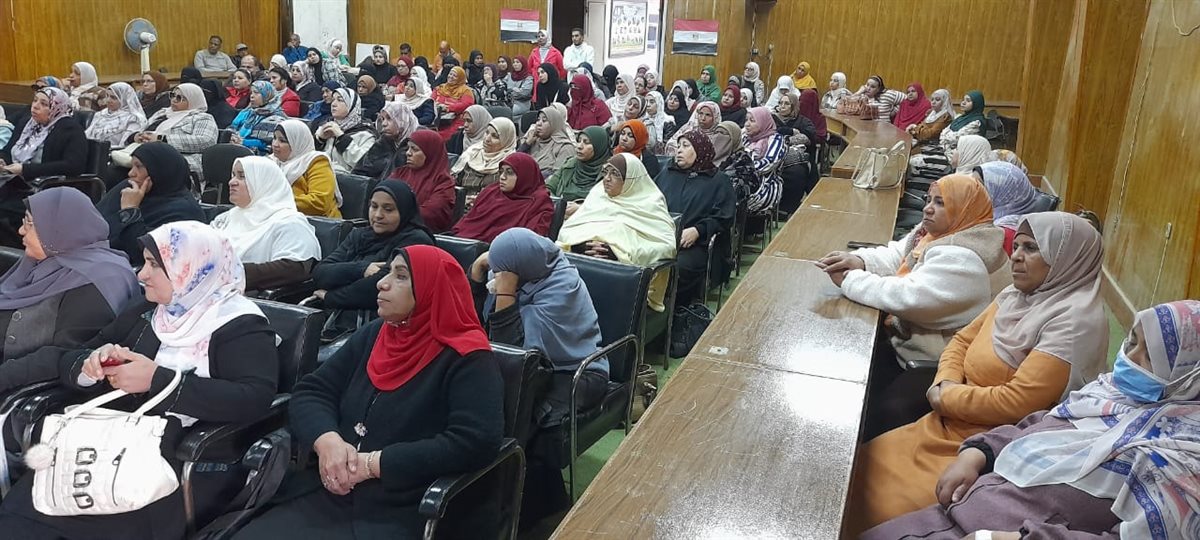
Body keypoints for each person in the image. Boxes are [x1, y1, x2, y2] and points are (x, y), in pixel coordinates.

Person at [0, 220, 278, 540]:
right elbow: (78, 353)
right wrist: (92, 366)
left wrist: (159, 381)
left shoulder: (240, 325)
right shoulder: (148, 309)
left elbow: (254, 399)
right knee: (24, 515)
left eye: (153, 265)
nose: (140, 274)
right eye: (144, 262)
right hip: (105, 445)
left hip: (181, 459)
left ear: (190, 270)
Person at [846, 212, 1107, 535]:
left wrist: (947, 397)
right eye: (1017, 246)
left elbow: (1018, 402)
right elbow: (961, 341)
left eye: (1031, 248)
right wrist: (944, 382)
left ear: (1067, 259)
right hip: (941, 423)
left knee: (872, 508)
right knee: (852, 470)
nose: (1017, 256)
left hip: (985, 448)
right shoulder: (1014, 295)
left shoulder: (1074, 322)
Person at [869, 299, 1200, 540]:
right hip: (966, 504)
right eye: (1132, 341)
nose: (1130, 357)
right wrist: (978, 452)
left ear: (1189, 374)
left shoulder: (1183, 460)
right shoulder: (1109, 395)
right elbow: (1039, 422)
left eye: (1150, 355)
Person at [233, 244, 502, 540]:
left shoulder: (468, 357)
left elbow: (474, 441)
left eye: (401, 276)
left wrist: (373, 464)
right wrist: (327, 441)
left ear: (431, 290)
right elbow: (313, 389)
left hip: (405, 503)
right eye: (387, 272)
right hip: (328, 486)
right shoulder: (377, 333)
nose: (382, 283)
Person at [817, 175, 1011, 430]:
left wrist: (850, 279)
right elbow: (900, 255)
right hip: (906, 345)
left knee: (858, 409)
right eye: (928, 200)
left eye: (940, 203)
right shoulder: (942, 232)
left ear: (964, 208)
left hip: (941, 364)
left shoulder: (965, 258)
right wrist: (861, 261)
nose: (928, 208)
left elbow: (907, 297)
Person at [471, 227, 606, 520]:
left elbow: (513, 353)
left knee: (518, 412)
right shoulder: (527, 273)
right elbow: (478, 323)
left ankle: (523, 507)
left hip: (578, 372)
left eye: (502, 271)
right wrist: (478, 274)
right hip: (542, 369)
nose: (497, 275)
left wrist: (505, 292)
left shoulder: (561, 287)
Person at [0, 188, 139, 393]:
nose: (21, 230)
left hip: (24, 386)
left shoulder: (100, 279)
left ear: (58, 228)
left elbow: (67, 355)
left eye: (29, 223)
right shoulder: (45, 262)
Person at [557, 153, 676, 311]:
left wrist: (617, 254)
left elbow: (666, 247)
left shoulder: (650, 203)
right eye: (605, 172)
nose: (606, 178)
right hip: (581, 267)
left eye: (615, 174)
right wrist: (579, 246)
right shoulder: (598, 194)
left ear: (631, 180)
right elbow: (567, 231)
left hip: (624, 279)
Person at [310, 181, 434, 312]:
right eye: (374, 207)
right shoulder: (360, 235)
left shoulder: (417, 241)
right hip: (339, 314)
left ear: (404, 211)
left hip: (383, 317)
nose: (378, 215)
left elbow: (379, 287)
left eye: (388, 209)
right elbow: (320, 273)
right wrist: (361, 269)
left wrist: (331, 296)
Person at [212, 156, 322, 291]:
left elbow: (293, 269)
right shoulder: (227, 217)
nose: (231, 182)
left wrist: (231, 273)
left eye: (242, 177)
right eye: (233, 175)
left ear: (265, 182)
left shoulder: (289, 222)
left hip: (248, 296)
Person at [656, 130, 735, 306]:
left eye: (685, 146)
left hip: (696, 245)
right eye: (678, 146)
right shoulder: (667, 173)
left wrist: (698, 230)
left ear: (700, 150)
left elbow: (724, 217)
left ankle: (674, 312)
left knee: (673, 268)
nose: (679, 150)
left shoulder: (718, 180)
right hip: (661, 238)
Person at [96, 141, 205, 266]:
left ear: (159, 170)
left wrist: (130, 211)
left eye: (139, 167)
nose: (131, 173)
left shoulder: (185, 212)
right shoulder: (130, 188)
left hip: (128, 269)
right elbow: (94, 221)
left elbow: (142, 254)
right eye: (132, 166)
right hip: (98, 256)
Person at [450, 153, 553, 243]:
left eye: (509, 172)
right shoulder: (491, 192)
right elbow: (467, 224)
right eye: (501, 172)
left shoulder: (538, 201)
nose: (502, 177)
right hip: (468, 244)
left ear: (525, 175)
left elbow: (530, 240)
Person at [130, 83, 219, 178]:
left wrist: (163, 139)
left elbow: (206, 141)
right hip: (149, 154)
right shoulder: (162, 113)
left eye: (179, 98)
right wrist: (140, 136)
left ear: (192, 100)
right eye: (172, 95)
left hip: (180, 161)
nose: (174, 100)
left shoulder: (202, 118)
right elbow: (145, 128)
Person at [1, 87, 87, 182]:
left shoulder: (71, 129)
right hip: (13, 179)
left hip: (47, 184)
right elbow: (8, 151)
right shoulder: (27, 124)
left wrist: (25, 170)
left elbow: (73, 166)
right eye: (35, 100)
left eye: (44, 104)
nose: (35, 106)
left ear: (57, 108)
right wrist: (3, 160)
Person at [388, 130, 455, 232]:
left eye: (414, 149)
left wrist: (395, 214)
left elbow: (431, 213)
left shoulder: (443, 182)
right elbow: (382, 196)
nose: (408, 153)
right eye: (408, 148)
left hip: (417, 232)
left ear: (430, 153)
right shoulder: (400, 173)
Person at [273, 119, 341, 218]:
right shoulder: (272, 161)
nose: (275, 144)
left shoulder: (317, 162)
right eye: (274, 138)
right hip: (281, 217)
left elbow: (319, 202)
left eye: (282, 141)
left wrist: (276, 201)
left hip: (316, 221)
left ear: (297, 142)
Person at [977, 161, 1041, 254]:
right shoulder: (990, 217)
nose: (972, 191)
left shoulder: (1005, 235)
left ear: (1002, 192)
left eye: (979, 187)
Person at [314, 88, 377, 175]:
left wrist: (341, 137)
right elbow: (309, 156)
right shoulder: (327, 125)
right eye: (333, 100)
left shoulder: (366, 134)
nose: (333, 104)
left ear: (351, 105)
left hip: (346, 180)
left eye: (340, 100)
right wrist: (319, 140)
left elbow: (364, 164)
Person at [452, 117, 517, 199]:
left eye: (495, 136)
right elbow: (454, 184)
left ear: (506, 140)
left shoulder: (510, 163)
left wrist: (480, 200)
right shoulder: (472, 153)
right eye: (487, 132)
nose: (487, 139)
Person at [546, 126, 612, 207]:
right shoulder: (571, 163)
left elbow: (608, 204)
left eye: (586, 142)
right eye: (579, 141)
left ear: (599, 146)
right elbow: (549, 187)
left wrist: (580, 208)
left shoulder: (609, 173)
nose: (579, 146)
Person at [353, 101, 418, 180]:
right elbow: (360, 171)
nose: (384, 123)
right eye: (383, 119)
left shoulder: (418, 146)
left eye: (389, 118)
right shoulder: (383, 142)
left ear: (402, 120)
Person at [740, 106, 785, 216]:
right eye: (746, 120)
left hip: (764, 184)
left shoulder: (776, 139)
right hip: (741, 179)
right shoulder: (745, 137)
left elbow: (769, 162)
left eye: (752, 121)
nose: (747, 124)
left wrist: (745, 168)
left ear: (762, 121)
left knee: (736, 197)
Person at [229, 81, 286, 154]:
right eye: (251, 93)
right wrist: (233, 138)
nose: (252, 96)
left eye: (256, 93)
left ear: (267, 95)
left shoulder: (276, 118)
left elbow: (269, 144)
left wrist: (243, 142)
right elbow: (233, 127)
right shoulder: (250, 112)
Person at [85, 82, 148, 148]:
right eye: (107, 96)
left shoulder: (134, 118)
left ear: (124, 99)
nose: (108, 100)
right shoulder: (100, 114)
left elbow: (125, 145)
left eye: (114, 97)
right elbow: (87, 135)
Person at [519, 105, 576, 176]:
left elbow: (557, 177)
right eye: (538, 120)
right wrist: (526, 144)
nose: (538, 123)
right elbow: (514, 163)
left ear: (554, 124)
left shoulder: (564, 147)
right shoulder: (533, 141)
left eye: (544, 120)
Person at [433, 66, 475, 142]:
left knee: (446, 136)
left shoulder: (465, 90)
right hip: (437, 118)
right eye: (450, 74)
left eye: (454, 76)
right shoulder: (439, 88)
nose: (451, 77)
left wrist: (448, 108)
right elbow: (430, 101)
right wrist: (436, 105)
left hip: (456, 119)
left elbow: (467, 104)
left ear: (460, 78)